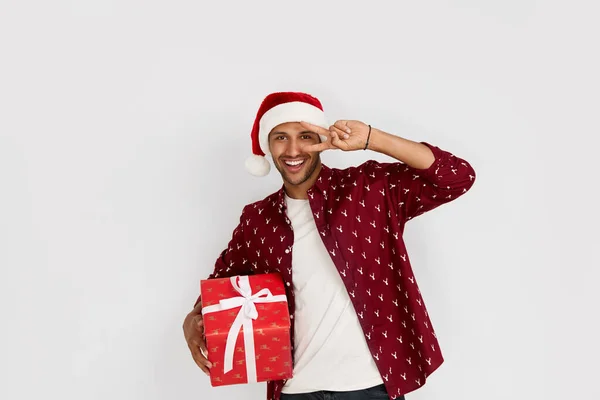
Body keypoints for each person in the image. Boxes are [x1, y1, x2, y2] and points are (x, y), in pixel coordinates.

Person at [183, 92, 476, 400]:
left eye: (306, 136)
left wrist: (372, 139)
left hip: (371, 387)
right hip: (295, 391)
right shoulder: (258, 219)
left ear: (323, 139)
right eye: (281, 137)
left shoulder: (369, 190)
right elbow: (222, 287)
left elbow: (457, 177)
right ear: (267, 146)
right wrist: (192, 319)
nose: (293, 149)